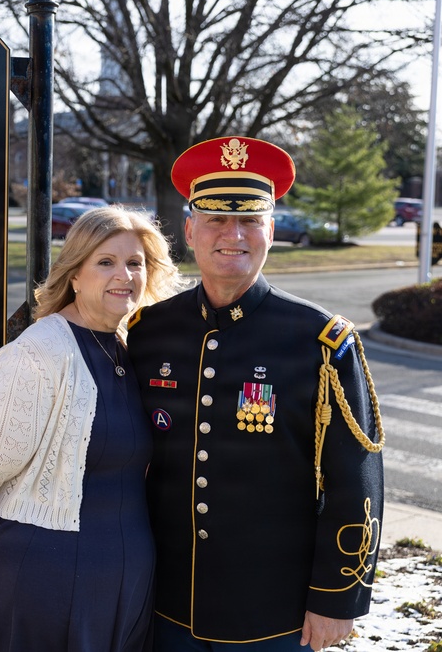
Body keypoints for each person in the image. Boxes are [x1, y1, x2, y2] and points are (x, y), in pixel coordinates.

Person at [126, 136, 386, 651]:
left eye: (249, 219)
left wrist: (337, 596)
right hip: (165, 605)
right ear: (190, 230)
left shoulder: (321, 341)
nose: (233, 234)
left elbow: (355, 476)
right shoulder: (150, 331)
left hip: (275, 614)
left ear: (270, 229)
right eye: (217, 219)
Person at [0, 207, 183, 652]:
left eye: (135, 263)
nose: (125, 275)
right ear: (74, 274)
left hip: (123, 589)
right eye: (105, 262)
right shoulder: (37, 356)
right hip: (41, 587)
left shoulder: (132, 349)